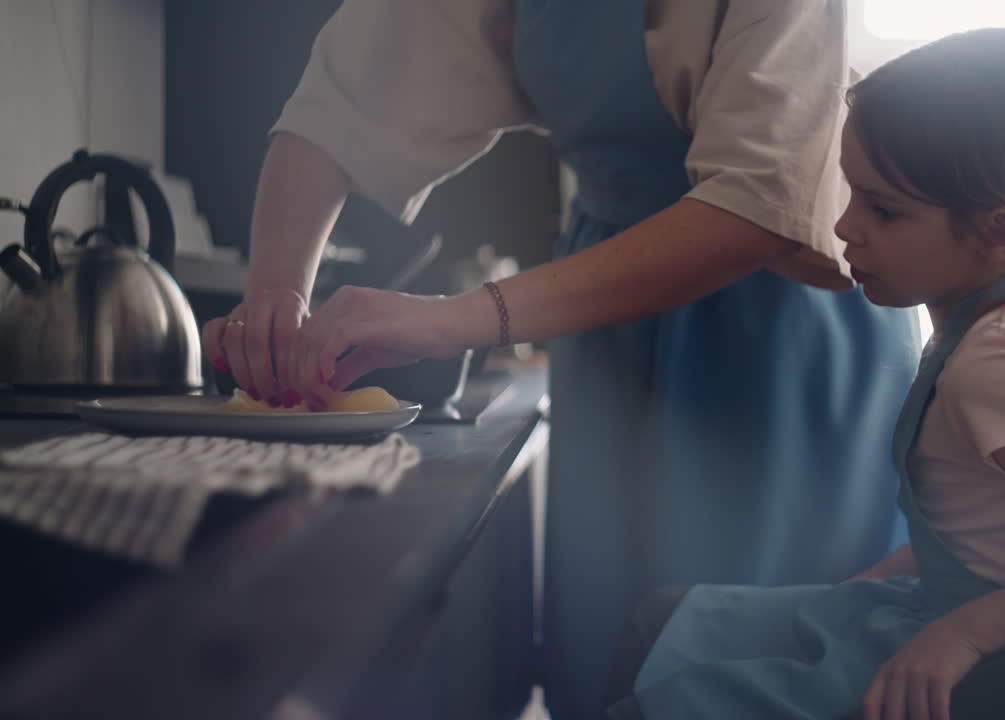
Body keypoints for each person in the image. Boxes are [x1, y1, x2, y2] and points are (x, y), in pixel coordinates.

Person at [199, 1, 920, 717]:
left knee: (752, 667)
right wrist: (275, 291)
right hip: (605, 326)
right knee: (607, 648)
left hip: (776, 332)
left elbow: (759, 203)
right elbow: (340, 105)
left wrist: (454, 319)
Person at [602, 27, 1005, 720]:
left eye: (883, 209)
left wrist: (960, 636)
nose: (846, 226)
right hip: (931, 606)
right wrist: (873, 580)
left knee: (666, 684)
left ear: (1000, 234)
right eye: (851, 191)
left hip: (985, 654)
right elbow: (1000, 537)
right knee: (666, 622)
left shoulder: (999, 365)